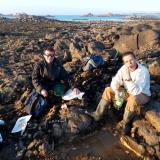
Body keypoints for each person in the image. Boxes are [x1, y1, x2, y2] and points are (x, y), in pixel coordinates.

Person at [91, 51, 151, 134]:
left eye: (131, 60)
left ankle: (125, 123)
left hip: (142, 95)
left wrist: (127, 78)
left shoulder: (143, 71)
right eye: (126, 61)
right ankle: (97, 115)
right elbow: (115, 81)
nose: (129, 63)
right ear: (124, 62)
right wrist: (116, 92)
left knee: (132, 99)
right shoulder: (124, 68)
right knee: (108, 90)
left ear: (136, 59)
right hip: (128, 92)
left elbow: (136, 91)